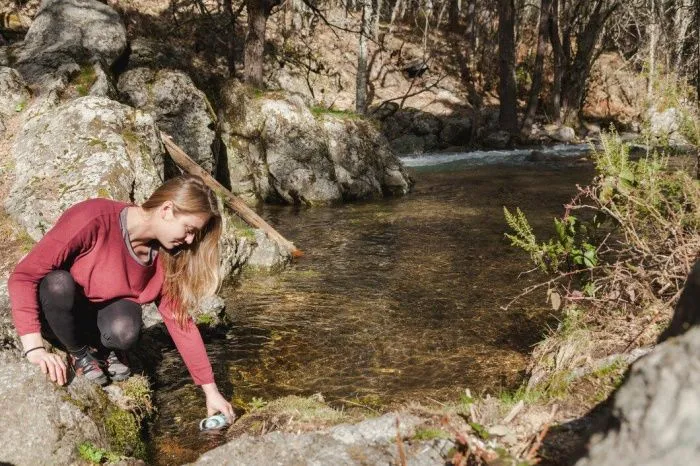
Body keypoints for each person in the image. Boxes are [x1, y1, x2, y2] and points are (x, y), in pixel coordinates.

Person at [8, 174, 235, 422]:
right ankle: (79, 352)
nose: (190, 240)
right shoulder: (93, 217)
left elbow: (179, 321)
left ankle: (105, 350)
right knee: (58, 284)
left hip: (102, 319)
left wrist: (210, 390)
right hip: (60, 313)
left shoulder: (167, 254)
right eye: (189, 230)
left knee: (126, 329)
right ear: (167, 209)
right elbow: (24, 276)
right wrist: (35, 350)